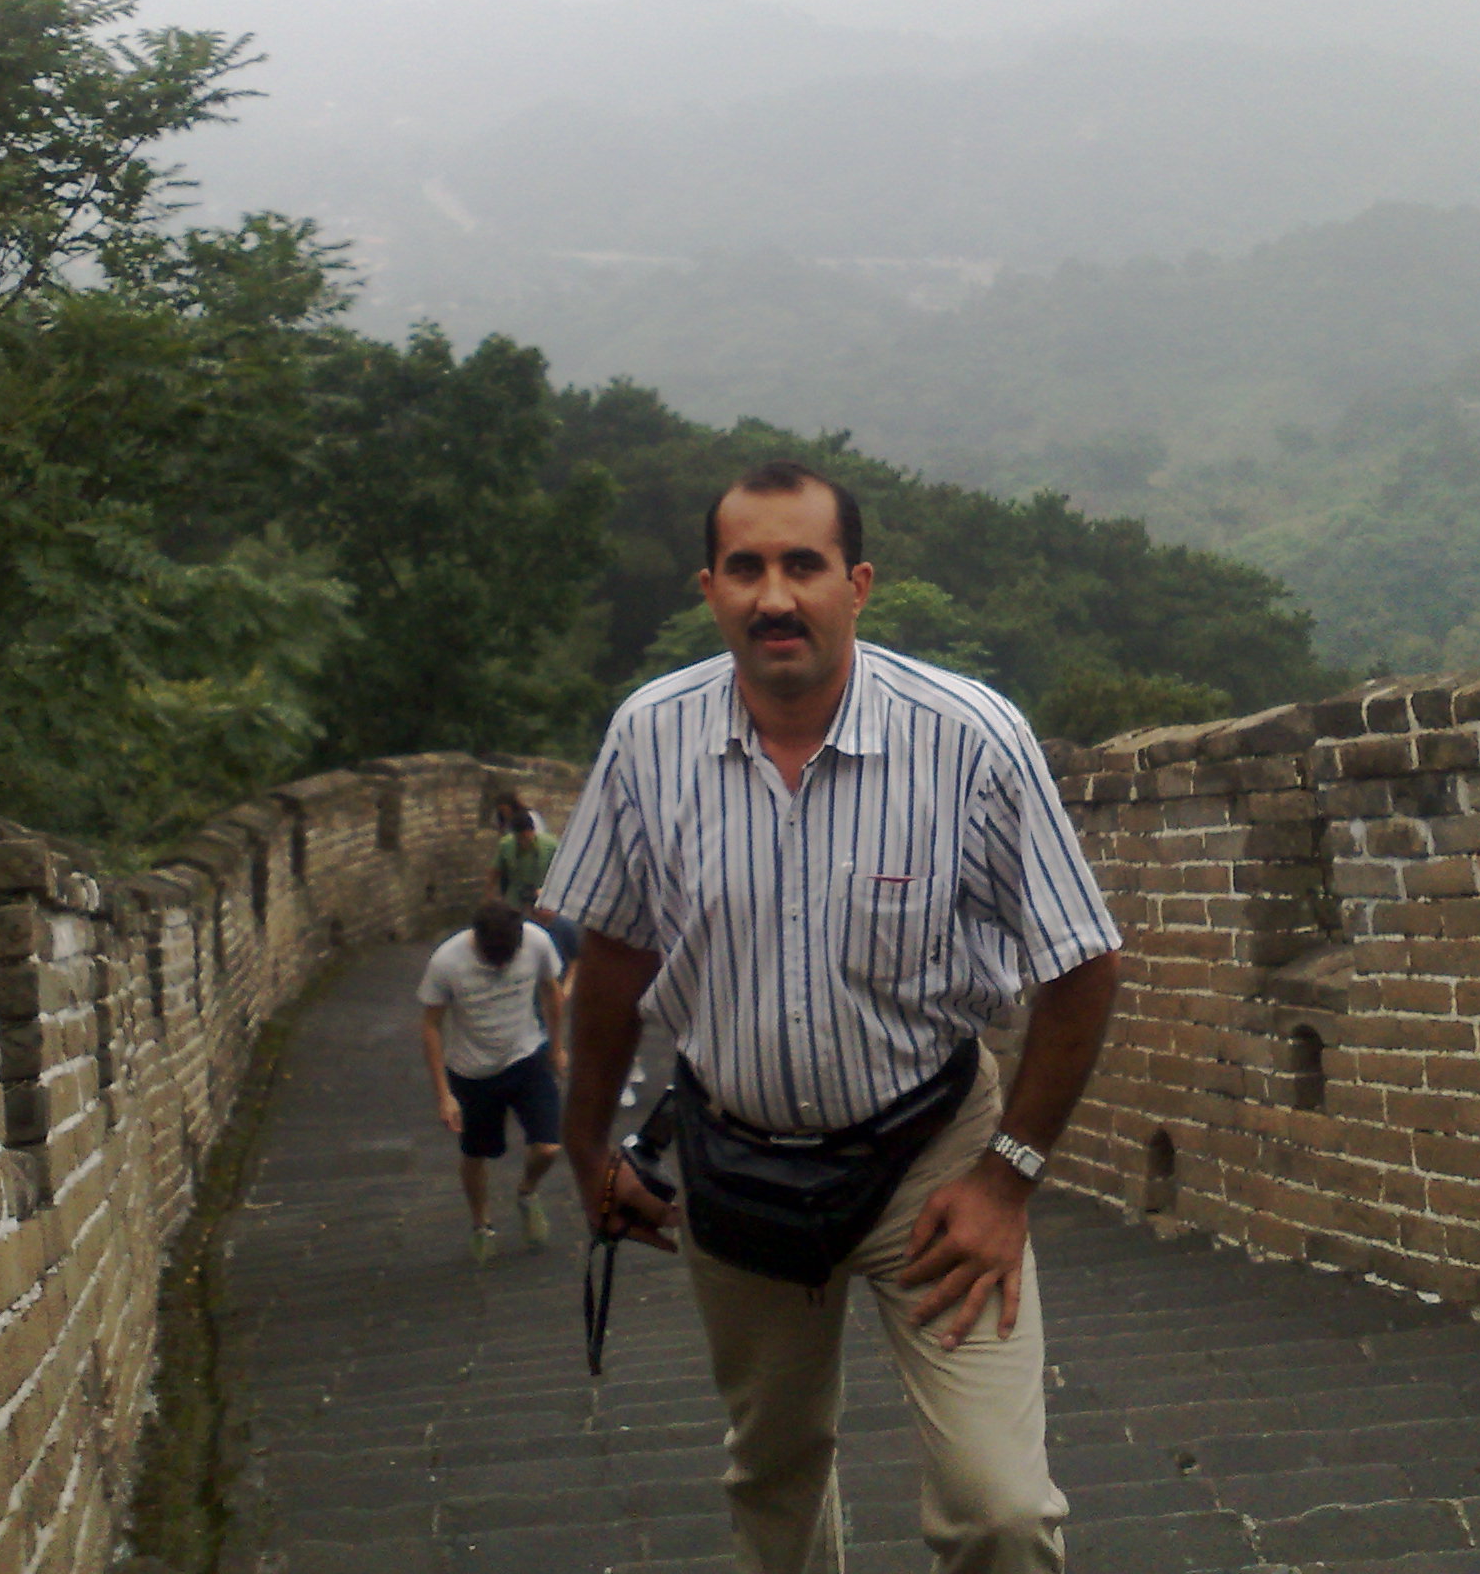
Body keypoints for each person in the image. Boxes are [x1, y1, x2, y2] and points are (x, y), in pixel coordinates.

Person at [544, 461, 1121, 1574]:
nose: (775, 597)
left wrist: (1008, 1178)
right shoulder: (648, 738)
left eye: (803, 565)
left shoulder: (967, 738)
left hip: (930, 1160)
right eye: (747, 569)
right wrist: (585, 1148)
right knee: (774, 1477)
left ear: (856, 584)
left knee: (1001, 1511)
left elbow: (1084, 963)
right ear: (710, 589)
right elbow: (614, 953)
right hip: (736, 1162)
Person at [418, 897, 567, 1263]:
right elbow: (431, 1026)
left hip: (527, 1057)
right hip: (473, 1072)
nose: (501, 965)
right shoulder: (447, 961)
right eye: (492, 958)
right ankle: (481, 1224)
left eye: (508, 958)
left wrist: (557, 1047)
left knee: (549, 1147)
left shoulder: (536, 941)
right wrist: (444, 1095)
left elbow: (551, 991)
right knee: (476, 1154)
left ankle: (527, 1192)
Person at [489, 798, 575, 965]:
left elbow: (564, 871)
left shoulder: (550, 845)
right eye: (520, 838)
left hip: (543, 900)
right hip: (516, 900)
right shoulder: (506, 846)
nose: (524, 842)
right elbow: (495, 871)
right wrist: (489, 895)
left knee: (553, 933)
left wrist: (550, 892)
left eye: (527, 837)